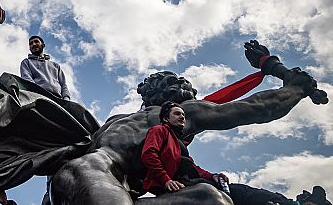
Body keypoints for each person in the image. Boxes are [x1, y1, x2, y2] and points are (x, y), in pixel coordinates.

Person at [49, 42, 328, 205]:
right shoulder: (181, 112)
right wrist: (295, 89)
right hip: (98, 181)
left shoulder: (114, 123)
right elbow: (258, 108)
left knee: (205, 196)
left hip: (71, 179)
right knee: (211, 199)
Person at [142, 102, 300, 204]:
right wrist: (166, 180)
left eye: (183, 114)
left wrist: (213, 176)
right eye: (177, 114)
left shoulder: (178, 142)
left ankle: (289, 203)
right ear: (165, 119)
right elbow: (149, 154)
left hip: (190, 181)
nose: (182, 116)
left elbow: (193, 168)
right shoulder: (159, 130)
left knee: (240, 191)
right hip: (177, 185)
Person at [20, 36, 70, 100]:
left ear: (43, 45)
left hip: (58, 99)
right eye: (31, 43)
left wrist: (66, 99)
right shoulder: (26, 62)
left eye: (36, 42)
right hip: (38, 97)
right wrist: (39, 95)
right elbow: (27, 80)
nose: (33, 44)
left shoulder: (55, 66)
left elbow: (63, 84)